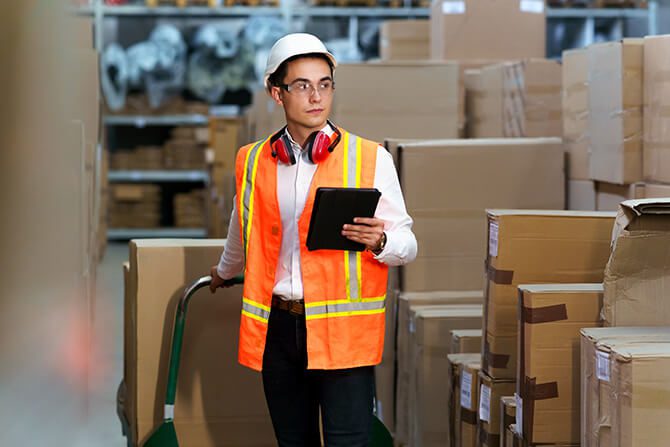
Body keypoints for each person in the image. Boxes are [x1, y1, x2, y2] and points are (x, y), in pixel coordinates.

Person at [209, 33, 417, 447]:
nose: (316, 96)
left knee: (347, 441)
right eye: (302, 86)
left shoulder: (370, 158)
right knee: (293, 441)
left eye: (325, 84)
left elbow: (408, 244)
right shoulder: (251, 160)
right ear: (276, 92)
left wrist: (380, 242)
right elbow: (242, 225)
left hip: (343, 334)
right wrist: (223, 271)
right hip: (279, 329)